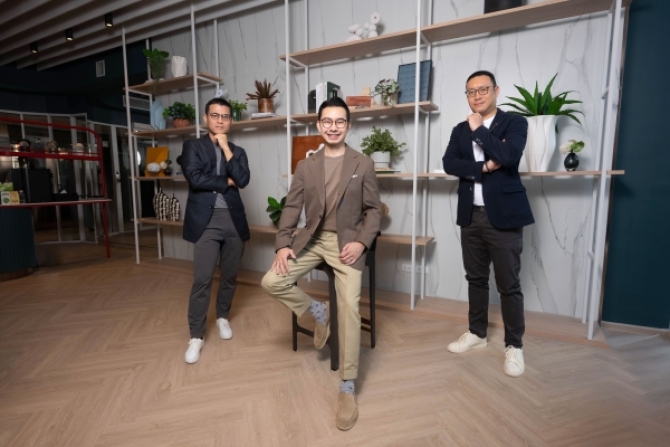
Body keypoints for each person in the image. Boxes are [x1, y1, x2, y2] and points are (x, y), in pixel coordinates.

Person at [261, 96, 381, 430]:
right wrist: (283, 244)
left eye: (339, 121)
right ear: (318, 125)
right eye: (327, 121)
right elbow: (291, 207)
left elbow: (374, 210)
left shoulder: (363, 163)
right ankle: (319, 312)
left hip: (347, 244)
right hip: (312, 240)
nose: (333, 127)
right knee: (271, 281)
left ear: (348, 126)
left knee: (350, 307)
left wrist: (361, 242)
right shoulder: (306, 165)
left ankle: (347, 384)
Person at [442, 70, 534, 377]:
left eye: (483, 89)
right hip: (471, 215)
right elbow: (450, 163)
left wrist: (479, 130)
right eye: (471, 91)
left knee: (509, 285)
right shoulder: (459, 130)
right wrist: (483, 167)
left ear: (496, 90)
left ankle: (514, 345)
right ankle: (477, 333)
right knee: (476, 279)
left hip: (504, 216)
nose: (477, 95)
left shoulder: (515, 123)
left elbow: (508, 155)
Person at [180, 97, 250, 364]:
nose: (220, 120)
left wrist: (225, 147)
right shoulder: (193, 146)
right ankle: (196, 336)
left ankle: (222, 317)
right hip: (205, 222)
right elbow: (195, 178)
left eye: (225, 116)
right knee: (203, 279)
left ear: (231, 120)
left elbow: (243, 179)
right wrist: (226, 181)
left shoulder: (238, 151)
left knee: (230, 276)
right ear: (205, 118)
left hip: (234, 221)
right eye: (215, 115)